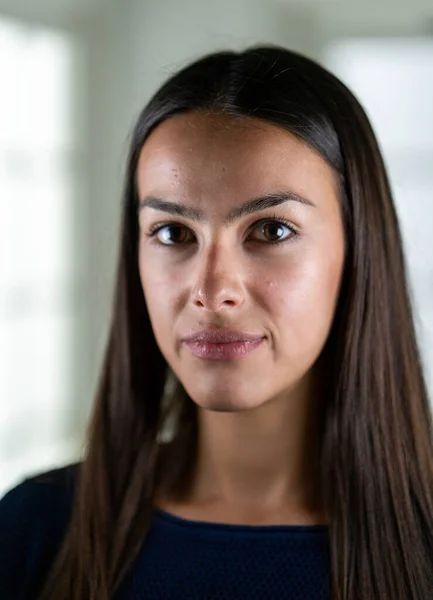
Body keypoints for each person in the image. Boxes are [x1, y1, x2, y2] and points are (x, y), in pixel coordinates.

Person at [1, 44, 433, 600]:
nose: (212, 291)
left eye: (271, 230)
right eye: (173, 233)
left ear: (357, 250)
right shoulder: (35, 530)